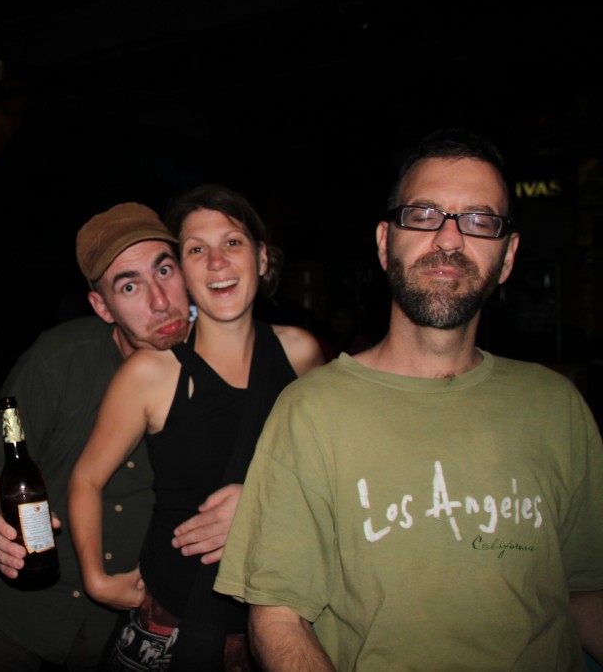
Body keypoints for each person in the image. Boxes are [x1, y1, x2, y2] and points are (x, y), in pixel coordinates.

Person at [214, 128, 603, 670]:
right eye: (423, 215)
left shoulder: (557, 405)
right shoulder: (312, 410)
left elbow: (583, 591)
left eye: (480, 220)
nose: (449, 239)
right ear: (384, 242)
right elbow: (278, 616)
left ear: (509, 256)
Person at [0, 203, 243, 671]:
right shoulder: (56, 359)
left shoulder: (230, 368)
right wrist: (4, 523)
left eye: (164, 270)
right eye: (129, 286)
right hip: (16, 614)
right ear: (102, 306)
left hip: (125, 624)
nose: (160, 302)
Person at [69, 185, 324, 670]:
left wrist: (261, 501)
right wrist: (96, 578)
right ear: (183, 273)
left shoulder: (302, 354)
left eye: (233, 242)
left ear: (262, 258)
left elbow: (327, 473)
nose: (217, 261)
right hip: (171, 624)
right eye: (196, 250)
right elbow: (86, 477)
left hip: (278, 620)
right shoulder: (150, 373)